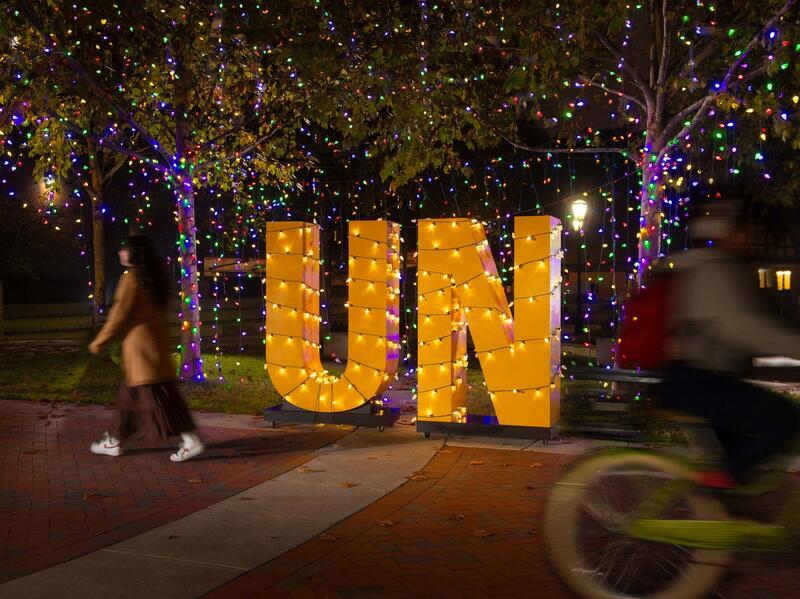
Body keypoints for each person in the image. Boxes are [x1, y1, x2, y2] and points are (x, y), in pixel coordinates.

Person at [661, 199, 800, 484]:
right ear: (724, 232)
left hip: (697, 380)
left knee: (740, 459)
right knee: (785, 419)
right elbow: (741, 329)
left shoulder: (702, 267)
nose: (747, 237)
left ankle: (721, 495)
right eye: (741, 231)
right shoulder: (714, 272)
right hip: (700, 382)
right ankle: (716, 487)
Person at [88, 235, 204, 462]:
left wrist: (98, 342)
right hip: (155, 348)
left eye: (125, 249)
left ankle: (190, 441)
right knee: (137, 399)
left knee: (156, 401)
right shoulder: (154, 279)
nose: (120, 253)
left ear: (135, 253)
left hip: (140, 353)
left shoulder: (131, 279)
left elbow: (118, 316)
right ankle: (115, 440)